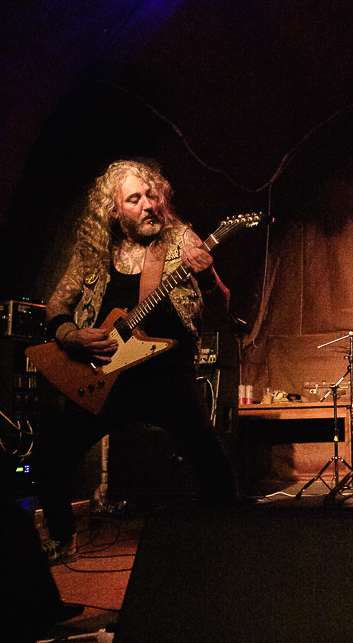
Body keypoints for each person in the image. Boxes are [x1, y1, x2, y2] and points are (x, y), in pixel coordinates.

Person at [32, 159, 240, 562]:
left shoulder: (181, 240)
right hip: (103, 375)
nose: (148, 205)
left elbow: (221, 307)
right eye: (134, 199)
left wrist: (208, 276)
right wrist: (70, 335)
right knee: (49, 455)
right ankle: (61, 538)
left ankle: (229, 545)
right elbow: (57, 303)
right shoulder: (94, 250)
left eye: (151, 195)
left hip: (167, 373)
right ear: (114, 211)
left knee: (212, 460)